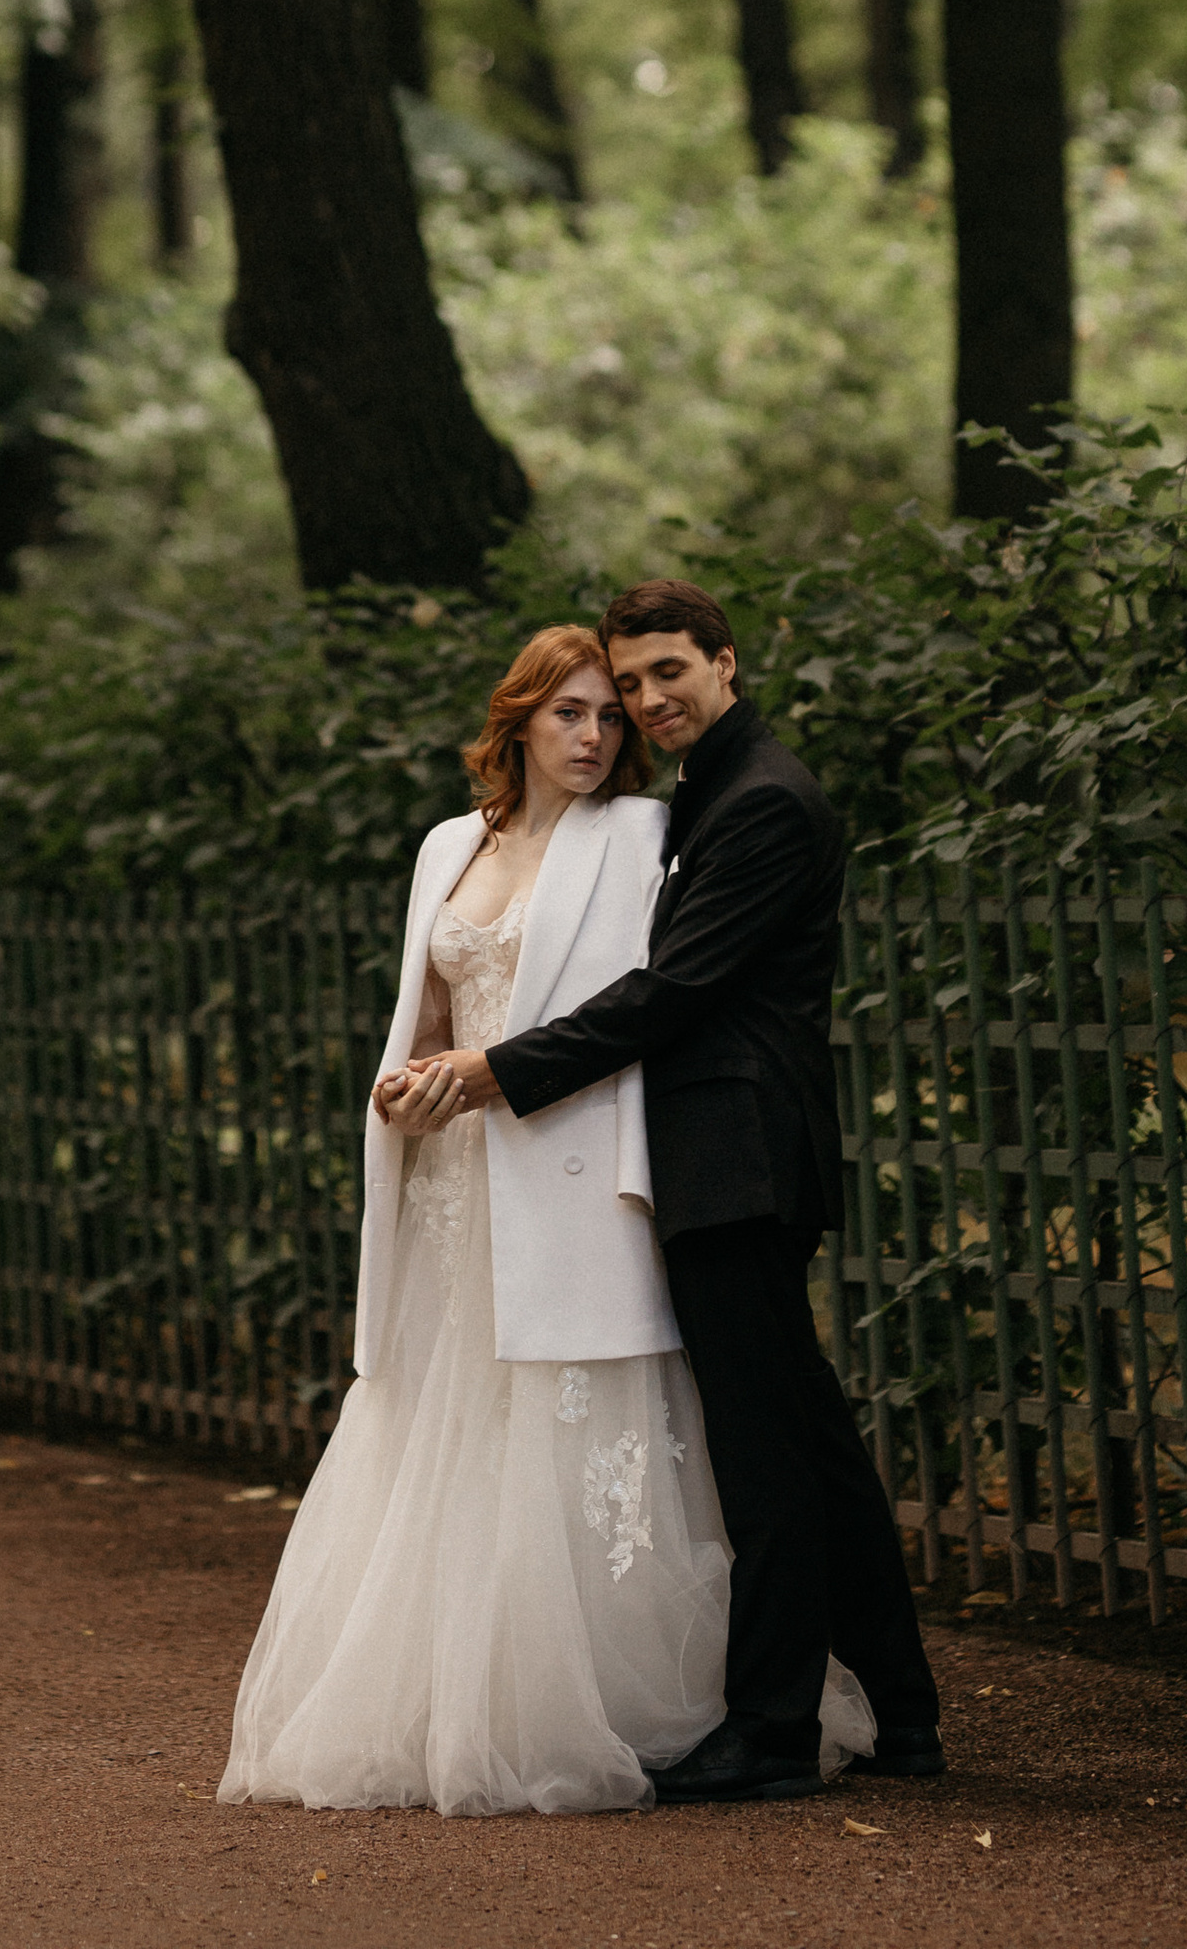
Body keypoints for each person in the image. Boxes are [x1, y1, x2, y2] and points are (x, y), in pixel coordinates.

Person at [220, 621, 870, 1818]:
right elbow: (422, 1012)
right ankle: (446, 1692)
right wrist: (408, 1085)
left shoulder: (642, 836)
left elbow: (651, 1009)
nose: (597, 731)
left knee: (591, 1424)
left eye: (612, 713)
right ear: (515, 719)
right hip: (458, 1175)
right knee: (448, 1417)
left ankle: (626, 1701)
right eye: (572, 710)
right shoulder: (444, 847)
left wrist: (499, 1084)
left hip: (570, 1158)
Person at [394, 575, 941, 1808]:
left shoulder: (762, 805)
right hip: (717, 1153)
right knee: (805, 1440)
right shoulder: (705, 795)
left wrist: (497, 1071)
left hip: (734, 1156)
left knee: (763, 1457)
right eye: (628, 683)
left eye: (664, 676)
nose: (643, 702)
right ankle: (902, 1712)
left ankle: (770, 1729)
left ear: (726, 663)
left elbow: (674, 995)